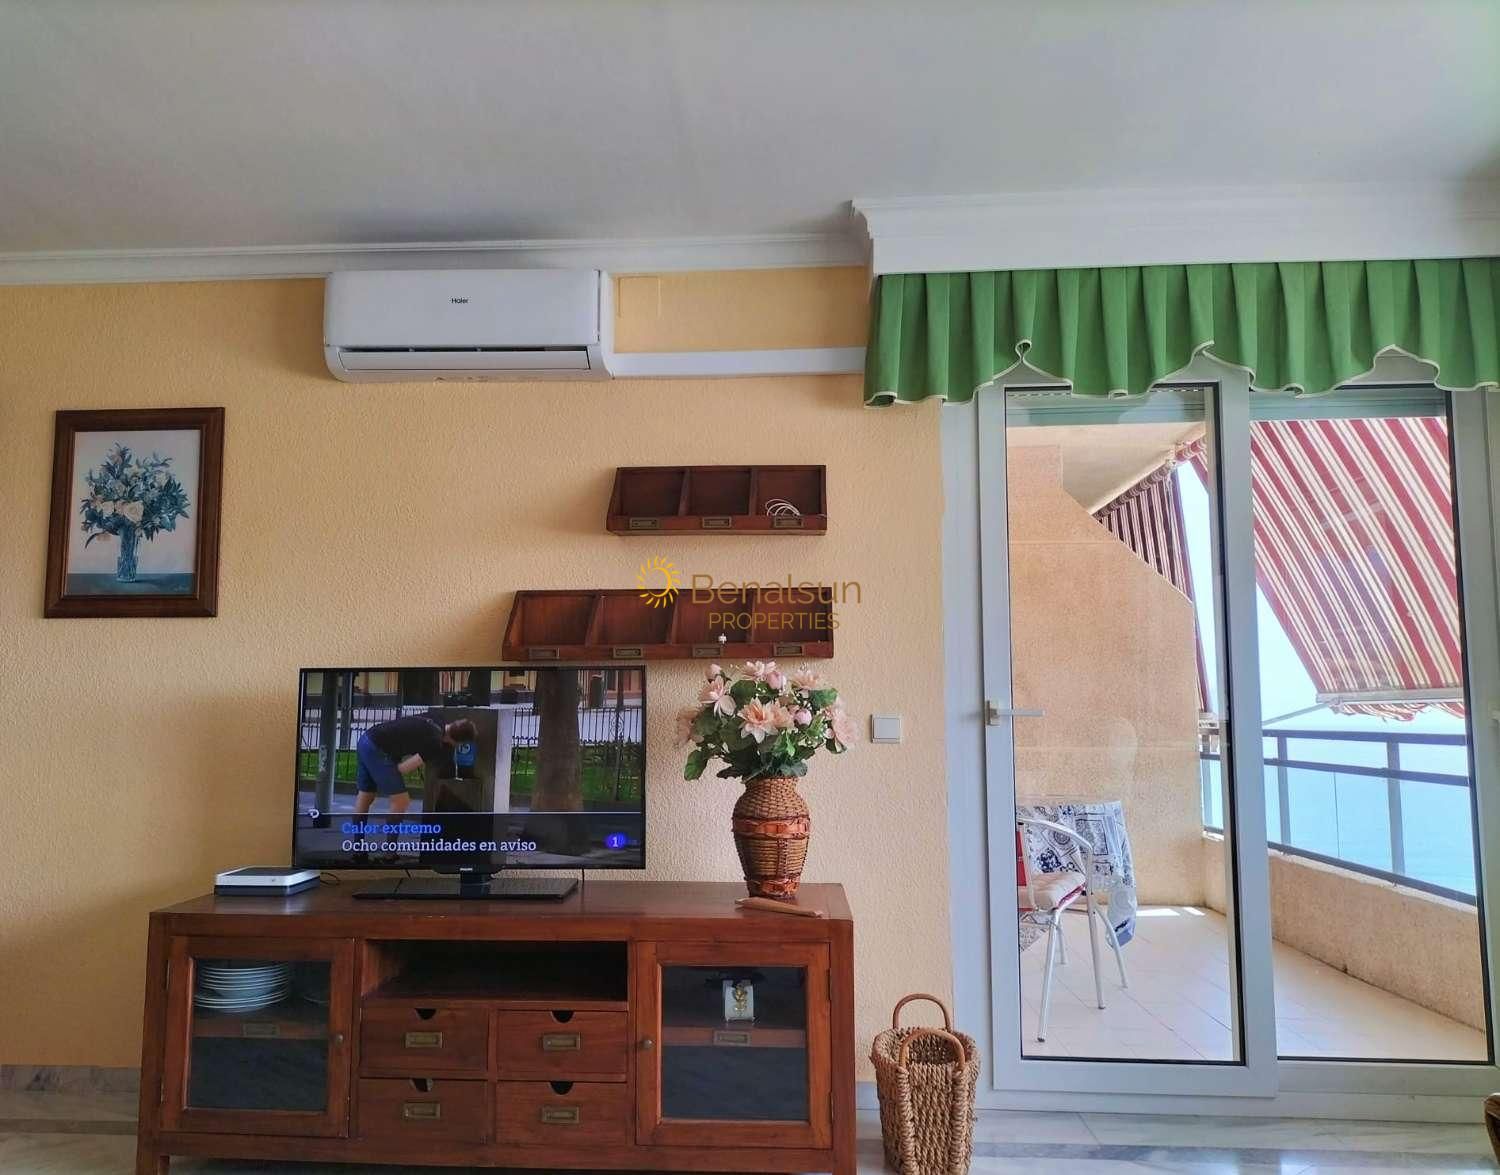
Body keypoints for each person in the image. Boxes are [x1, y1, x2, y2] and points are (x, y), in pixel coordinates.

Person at [353, 715, 477, 815]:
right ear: (457, 743)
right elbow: (403, 768)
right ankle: (391, 839)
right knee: (401, 801)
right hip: (378, 750)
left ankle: (357, 838)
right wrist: (386, 770)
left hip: (366, 738)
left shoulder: (436, 719)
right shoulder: (435, 743)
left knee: (366, 795)